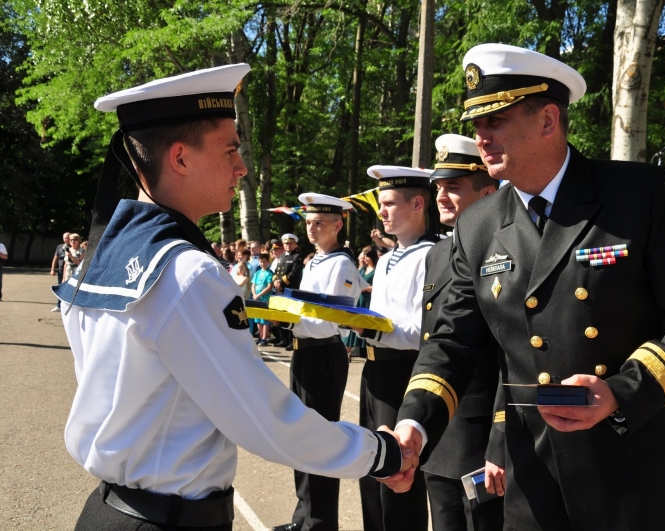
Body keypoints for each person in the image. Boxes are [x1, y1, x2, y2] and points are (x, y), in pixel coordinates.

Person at [385, 43, 665, 531]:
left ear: (548, 120)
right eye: (477, 124)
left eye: (495, 121)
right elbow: (451, 341)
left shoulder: (636, 193)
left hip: (633, 473)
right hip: (534, 480)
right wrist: (414, 425)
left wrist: (620, 391)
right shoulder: (477, 225)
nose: (481, 137)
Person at [53, 64, 410, 531]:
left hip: (108, 512)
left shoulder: (103, 257)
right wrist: (380, 454)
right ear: (180, 158)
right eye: (230, 150)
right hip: (168, 520)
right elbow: (264, 421)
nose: (241, 168)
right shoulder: (185, 272)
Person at [422, 134, 505, 531]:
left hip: (481, 436)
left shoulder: (507, 251)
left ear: (488, 192)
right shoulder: (436, 253)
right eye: (439, 187)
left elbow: (513, 356)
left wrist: (500, 442)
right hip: (440, 428)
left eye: (453, 187)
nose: (441, 196)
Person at [271, 193, 368, 531]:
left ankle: (321, 522)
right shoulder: (314, 261)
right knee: (301, 437)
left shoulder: (341, 263)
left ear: (338, 225)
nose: (311, 228)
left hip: (322, 353)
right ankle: (304, 517)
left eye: (320, 223)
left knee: (320, 440)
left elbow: (331, 319)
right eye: (309, 222)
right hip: (304, 352)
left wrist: (286, 320)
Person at [351, 166, 436, 531]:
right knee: (370, 466)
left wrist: (374, 329)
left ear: (417, 203)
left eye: (389, 203)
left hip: (404, 371)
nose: (381, 212)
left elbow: (425, 331)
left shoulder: (431, 254)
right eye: (380, 204)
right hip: (374, 370)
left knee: (400, 475)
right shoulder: (386, 259)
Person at [344, 246, 377, 360]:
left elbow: (378, 287)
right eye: (365, 256)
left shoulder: (377, 270)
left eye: (367, 256)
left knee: (365, 326)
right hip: (359, 300)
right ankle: (347, 350)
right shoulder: (362, 269)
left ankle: (368, 351)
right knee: (354, 324)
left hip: (368, 300)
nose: (365, 258)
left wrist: (366, 288)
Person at [273, 233, 304, 350]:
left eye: (290, 243)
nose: (288, 245)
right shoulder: (281, 257)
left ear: (295, 244)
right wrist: (276, 281)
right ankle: (283, 339)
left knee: (290, 315)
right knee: (281, 315)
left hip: (291, 290)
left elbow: (295, 273)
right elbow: (276, 271)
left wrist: (281, 283)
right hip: (280, 291)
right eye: (286, 243)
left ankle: (292, 340)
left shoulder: (297, 256)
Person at [251, 252, 274, 347]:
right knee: (258, 319)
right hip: (257, 298)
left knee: (265, 319)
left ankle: (264, 338)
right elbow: (253, 285)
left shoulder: (270, 273)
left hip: (265, 298)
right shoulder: (257, 272)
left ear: (268, 262)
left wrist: (259, 294)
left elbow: (269, 287)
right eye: (260, 262)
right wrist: (254, 294)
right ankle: (260, 336)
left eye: (264, 261)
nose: (262, 264)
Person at [50, 232, 71, 311]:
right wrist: (52, 269)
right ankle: (59, 305)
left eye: (68, 238)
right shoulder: (60, 247)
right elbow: (55, 258)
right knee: (60, 287)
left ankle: (68, 305)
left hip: (70, 271)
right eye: (65, 238)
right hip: (60, 270)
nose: (67, 239)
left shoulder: (73, 247)